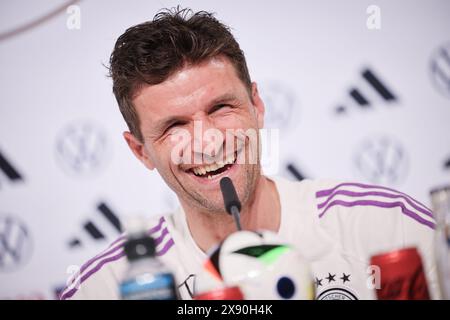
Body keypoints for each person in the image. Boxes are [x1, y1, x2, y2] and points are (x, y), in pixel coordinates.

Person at [60, 7, 438, 300]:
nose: (207, 142)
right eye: (175, 126)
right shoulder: (109, 286)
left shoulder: (386, 227)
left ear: (257, 105)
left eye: (221, 108)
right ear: (140, 151)